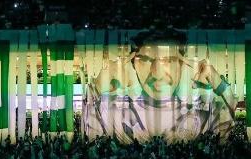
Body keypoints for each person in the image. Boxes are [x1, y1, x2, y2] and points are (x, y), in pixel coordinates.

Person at [86, 29, 237, 143]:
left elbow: (227, 136)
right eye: (145, 59)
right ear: (133, 64)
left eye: (169, 60)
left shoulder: (204, 112)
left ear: (182, 64)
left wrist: (220, 85)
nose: (157, 74)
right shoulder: (112, 112)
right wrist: (97, 87)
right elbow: (89, 137)